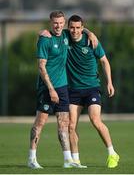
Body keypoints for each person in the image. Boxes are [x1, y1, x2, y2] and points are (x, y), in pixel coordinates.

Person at [66, 15, 120, 168]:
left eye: (78, 28)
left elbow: (104, 61)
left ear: (82, 28)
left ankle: (112, 153)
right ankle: (75, 160)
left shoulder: (91, 41)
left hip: (91, 88)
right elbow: (52, 31)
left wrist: (109, 82)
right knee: (71, 126)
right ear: (68, 27)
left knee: (95, 120)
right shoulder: (64, 38)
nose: (75, 30)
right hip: (73, 90)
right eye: (72, 27)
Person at [28, 10, 77, 169]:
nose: (59, 26)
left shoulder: (65, 35)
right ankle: (32, 159)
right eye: (56, 23)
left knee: (64, 123)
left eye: (61, 23)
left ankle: (67, 160)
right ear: (51, 23)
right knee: (40, 122)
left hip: (62, 87)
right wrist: (51, 89)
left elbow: (80, 28)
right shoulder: (45, 39)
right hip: (47, 88)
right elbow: (41, 67)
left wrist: (91, 34)